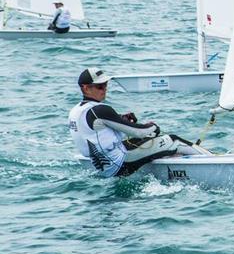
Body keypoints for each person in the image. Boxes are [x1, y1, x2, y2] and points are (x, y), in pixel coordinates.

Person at [68, 67, 209, 177]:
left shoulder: (76, 111)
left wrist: (121, 119)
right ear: (85, 88)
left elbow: (98, 130)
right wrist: (152, 127)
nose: (104, 89)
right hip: (121, 164)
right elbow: (139, 132)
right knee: (174, 140)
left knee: (149, 140)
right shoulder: (99, 109)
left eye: (105, 85)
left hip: (101, 166)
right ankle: (213, 160)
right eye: (100, 86)